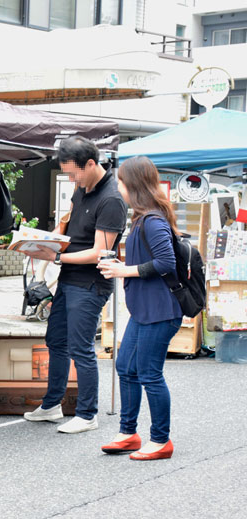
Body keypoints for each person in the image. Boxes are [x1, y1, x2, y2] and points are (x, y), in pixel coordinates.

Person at [22, 135, 127, 433]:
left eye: (73, 173)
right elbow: (65, 227)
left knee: (81, 348)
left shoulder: (112, 199)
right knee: (55, 341)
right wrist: (42, 243)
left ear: (91, 164)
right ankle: (52, 405)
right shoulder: (81, 189)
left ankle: (87, 414)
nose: (70, 178)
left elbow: (99, 252)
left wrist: (57, 259)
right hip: (68, 280)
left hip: (90, 284)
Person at [97, 156, 182, 460]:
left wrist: (125, 271)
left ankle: (160, 441)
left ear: (131, 185)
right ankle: (128, 433)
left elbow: (166, 263)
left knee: (149, 373)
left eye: (120, 181)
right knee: (125, 367)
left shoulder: (153, 220)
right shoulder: (145, 217)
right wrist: (123, 266)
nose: (117, 187)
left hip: (159, 311)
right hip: (146, 310)